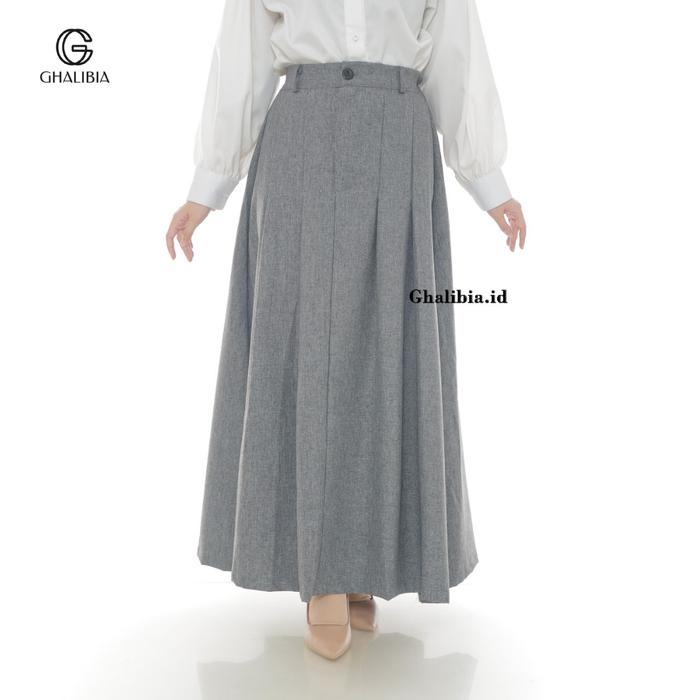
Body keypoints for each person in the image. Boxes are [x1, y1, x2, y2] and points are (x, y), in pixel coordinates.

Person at [165, 0, 526, 661]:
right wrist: (207, 187)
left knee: (390, 359)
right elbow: (243, 56)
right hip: (303, 136)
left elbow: (456, 54)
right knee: (305, 351)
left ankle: (364, 564)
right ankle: (323, 575)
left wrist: (489, 182)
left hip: (400, 138)